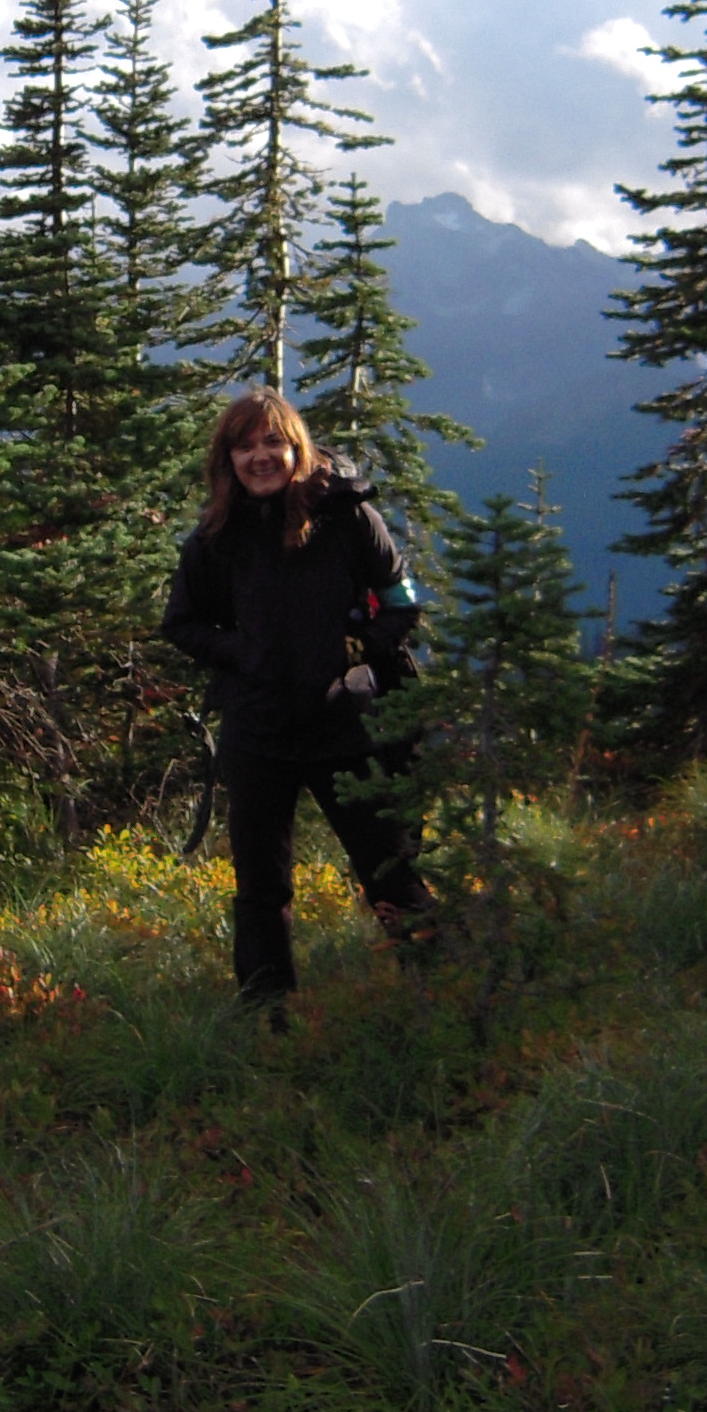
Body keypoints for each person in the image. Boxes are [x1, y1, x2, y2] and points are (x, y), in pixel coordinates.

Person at [159, 390, 435, 1007]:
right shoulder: (215, 537)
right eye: (244, 445)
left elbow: (401, 599)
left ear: (296, 448)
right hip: (257, 732)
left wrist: (358, 657)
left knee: (387, 866)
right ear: (227, 458)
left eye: (271, 443)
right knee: (261, 885)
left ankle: (443, 986)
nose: (259, 457)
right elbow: (181, 624)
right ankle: (267, 1015)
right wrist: (246, 656)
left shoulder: (347, 517)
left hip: (346, 728)